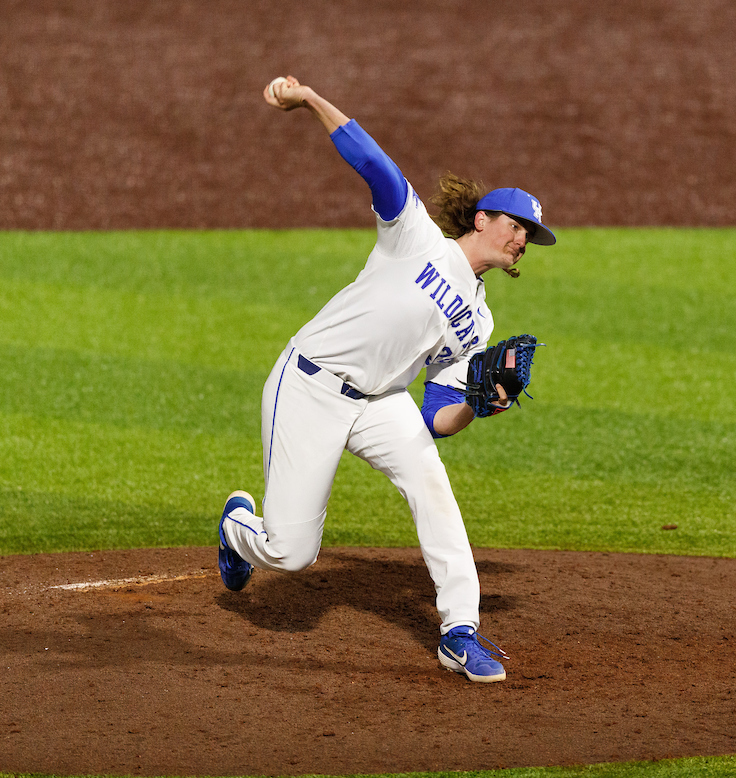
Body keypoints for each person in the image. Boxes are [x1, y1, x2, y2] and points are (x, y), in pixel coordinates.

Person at [217, 76, 556, 683]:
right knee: (290, 554)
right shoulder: (416, 235)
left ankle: (459, 631)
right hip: (310, 385)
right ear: (481, 219)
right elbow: (373, 162)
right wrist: (310, 100)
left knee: (434, 488)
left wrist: (485, 400)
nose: (523, 239)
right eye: (516, 225)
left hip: (382, 403)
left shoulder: (480, 320)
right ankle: (237, 527)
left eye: (530, 234)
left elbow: (439, 418)